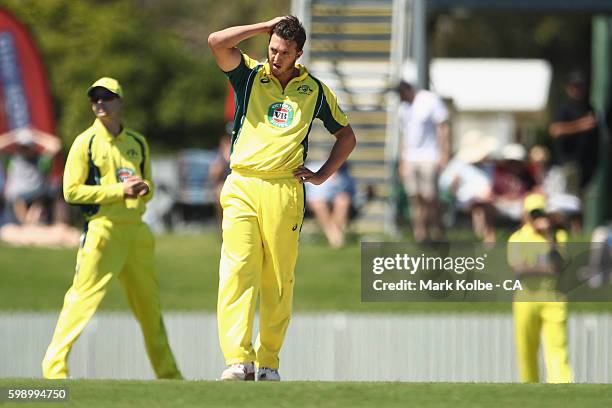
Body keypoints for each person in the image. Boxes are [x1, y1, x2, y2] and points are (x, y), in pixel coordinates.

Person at [208, 15, 356, 381]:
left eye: (284, 52)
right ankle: (237, 359)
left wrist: (322, 175)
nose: (275, 57)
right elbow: (216, 41)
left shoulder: (315, 90)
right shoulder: (249, 75)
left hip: (284, 189)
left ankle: (268, 361)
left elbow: (347, 137)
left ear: (298, 54)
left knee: (277, 277)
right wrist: (264, 27)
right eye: (272, 49)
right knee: (236, 270)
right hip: (242, 183)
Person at [42, 77, 182, 380]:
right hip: (102, 230)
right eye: (95, 99)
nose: (100, 104)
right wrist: (119, 191)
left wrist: (143, 188)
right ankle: (54, 371)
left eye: (107, 98)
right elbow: (71, 192)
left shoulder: (137, 143)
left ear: (121, 102)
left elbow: (151, 188)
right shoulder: (85, 143)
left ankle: (169, 376)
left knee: (150, 309)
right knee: (81, 302)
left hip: (137, 232)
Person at [507, 193, 573, 383]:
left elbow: (559, 266)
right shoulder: (517, 238)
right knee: (527, 350)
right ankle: (529, 388)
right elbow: (519, 268)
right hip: (526, 300)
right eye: (533, 213)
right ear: (526, 215)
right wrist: (547, 270)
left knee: (558, 347)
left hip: (553, 299)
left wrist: (549, 238)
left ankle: (562, 387)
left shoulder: (558, 236)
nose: (537, 218)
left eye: (540, 213)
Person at [397, 80, 450, 243]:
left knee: (430, 197)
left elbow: (443, 127)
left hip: (430, 156)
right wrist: (402, 160)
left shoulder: (429, 100)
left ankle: (437, 229)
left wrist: (444, 153)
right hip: (411, 158)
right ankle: (420, 233)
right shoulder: (403, 108)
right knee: (415, 197)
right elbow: (404, 136)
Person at [548, 71, 599, 197]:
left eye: (581, 86)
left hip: (586, 166)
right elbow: (555, 130)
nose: (578, 90)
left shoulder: (589, 108)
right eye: (575, 86)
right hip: (567, 165)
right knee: (568, 203)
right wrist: (579, 126)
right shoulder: (565, 108)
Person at [0, 127, 61, 225]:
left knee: (49, 196)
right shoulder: (12, 160)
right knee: (17, 199)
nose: (24, 150)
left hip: (38, 196)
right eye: (22, 147)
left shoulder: (40, 160)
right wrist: (14, 136)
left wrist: (35, 136)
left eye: (27, 147)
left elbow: (56, 145)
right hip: (17, 200)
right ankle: (27, 226)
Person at [306, 161, 355, 248]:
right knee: (319, 204)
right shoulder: (313, 168)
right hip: (315, 201)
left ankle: (334, 234)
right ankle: (334, 236)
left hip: (332, 201)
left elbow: (349, 192)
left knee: (342, 201)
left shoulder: (344, 174)